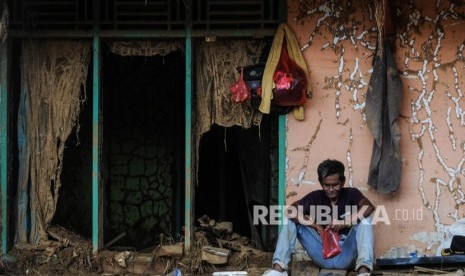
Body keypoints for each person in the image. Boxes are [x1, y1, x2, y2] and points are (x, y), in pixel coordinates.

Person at [263, 159, 375, 276]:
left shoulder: (352, 194)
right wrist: (316, 226)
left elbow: (369, 207)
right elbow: (290, 211)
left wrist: (345, 222)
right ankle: (278, 270)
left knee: (365, 219)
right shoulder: (315, 197)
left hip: (346, 254)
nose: (331, 189)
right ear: (321, 183)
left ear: (343, 182)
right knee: (290, 219)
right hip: (323, 254)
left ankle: (364, 271)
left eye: (335, 185)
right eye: (326, 185)